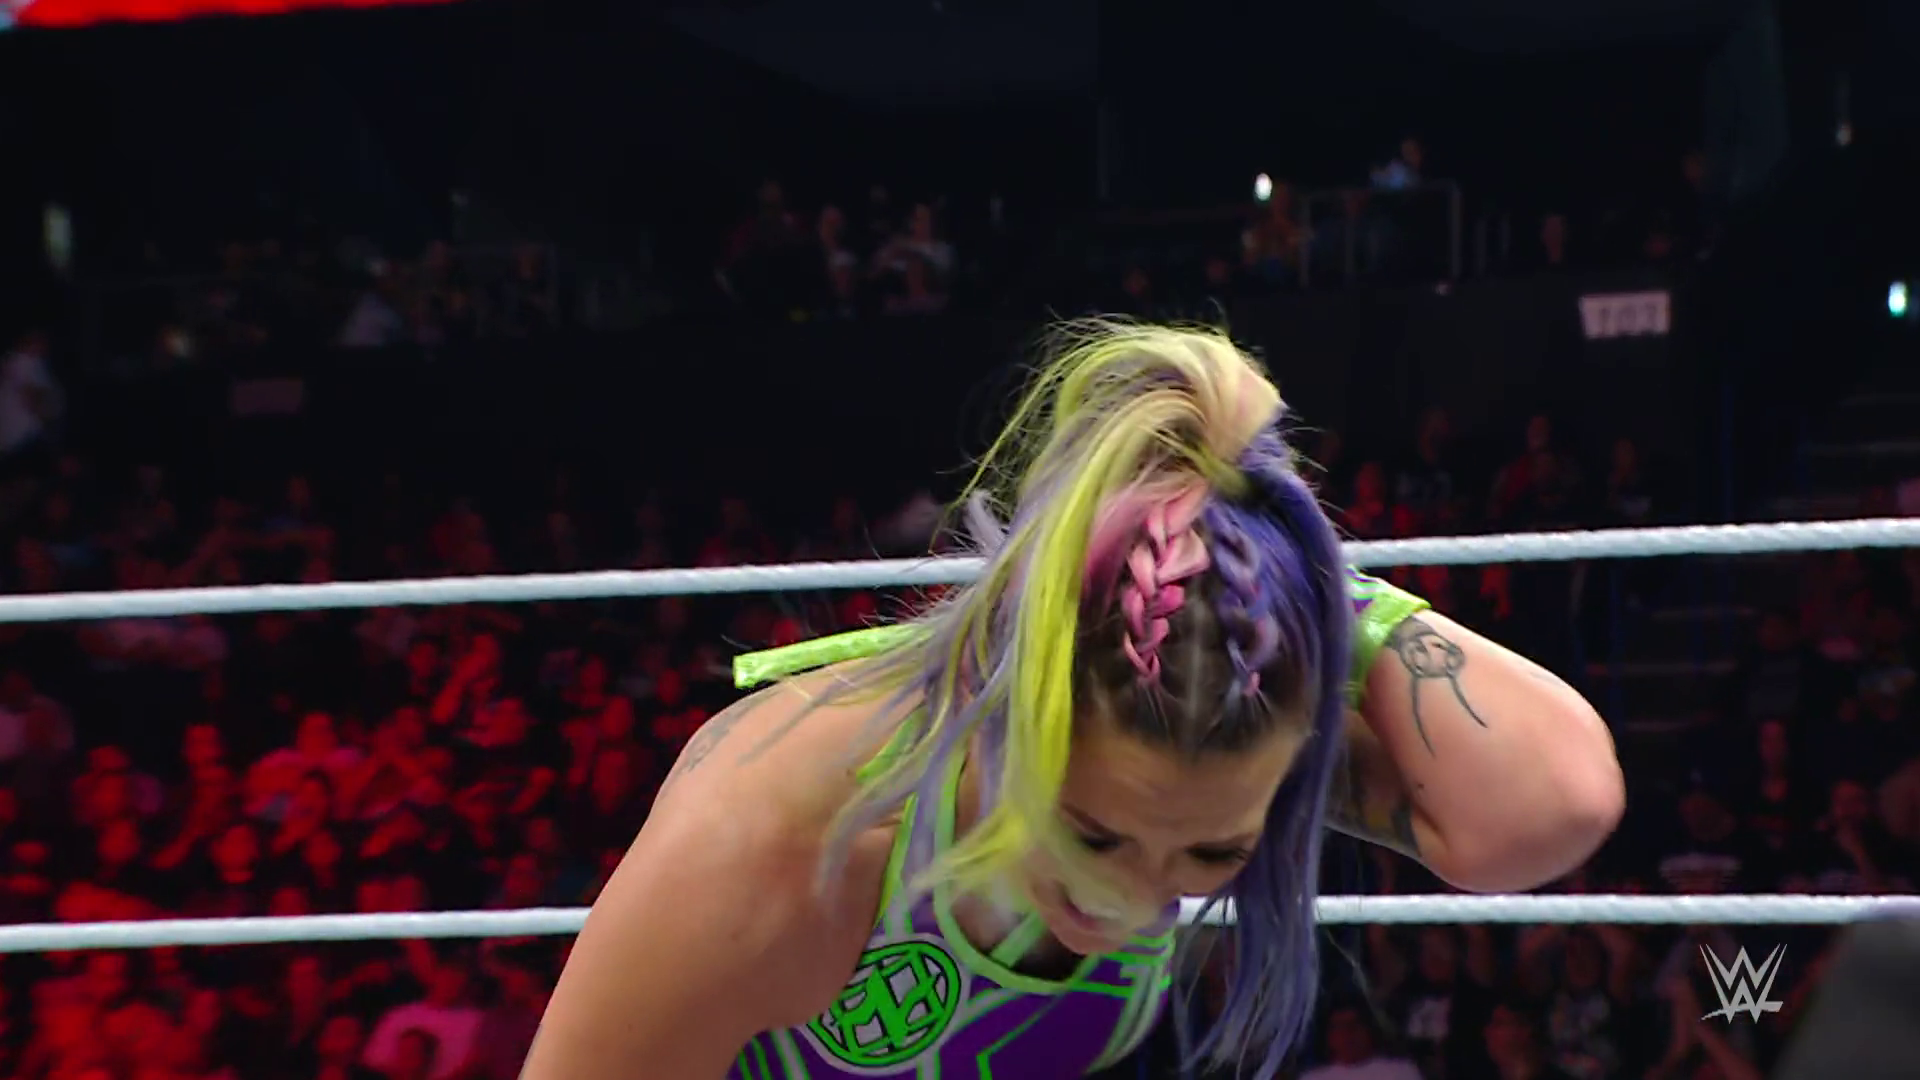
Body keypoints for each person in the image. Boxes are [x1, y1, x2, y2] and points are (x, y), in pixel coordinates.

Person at [521, 321, 1624, 1079]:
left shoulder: (1197, 737)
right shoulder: (778, 845)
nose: (1139, 900)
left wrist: (1269, 568)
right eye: (1093, 833)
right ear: (1001, 696)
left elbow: (1549, 804)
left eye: (1211, 853)